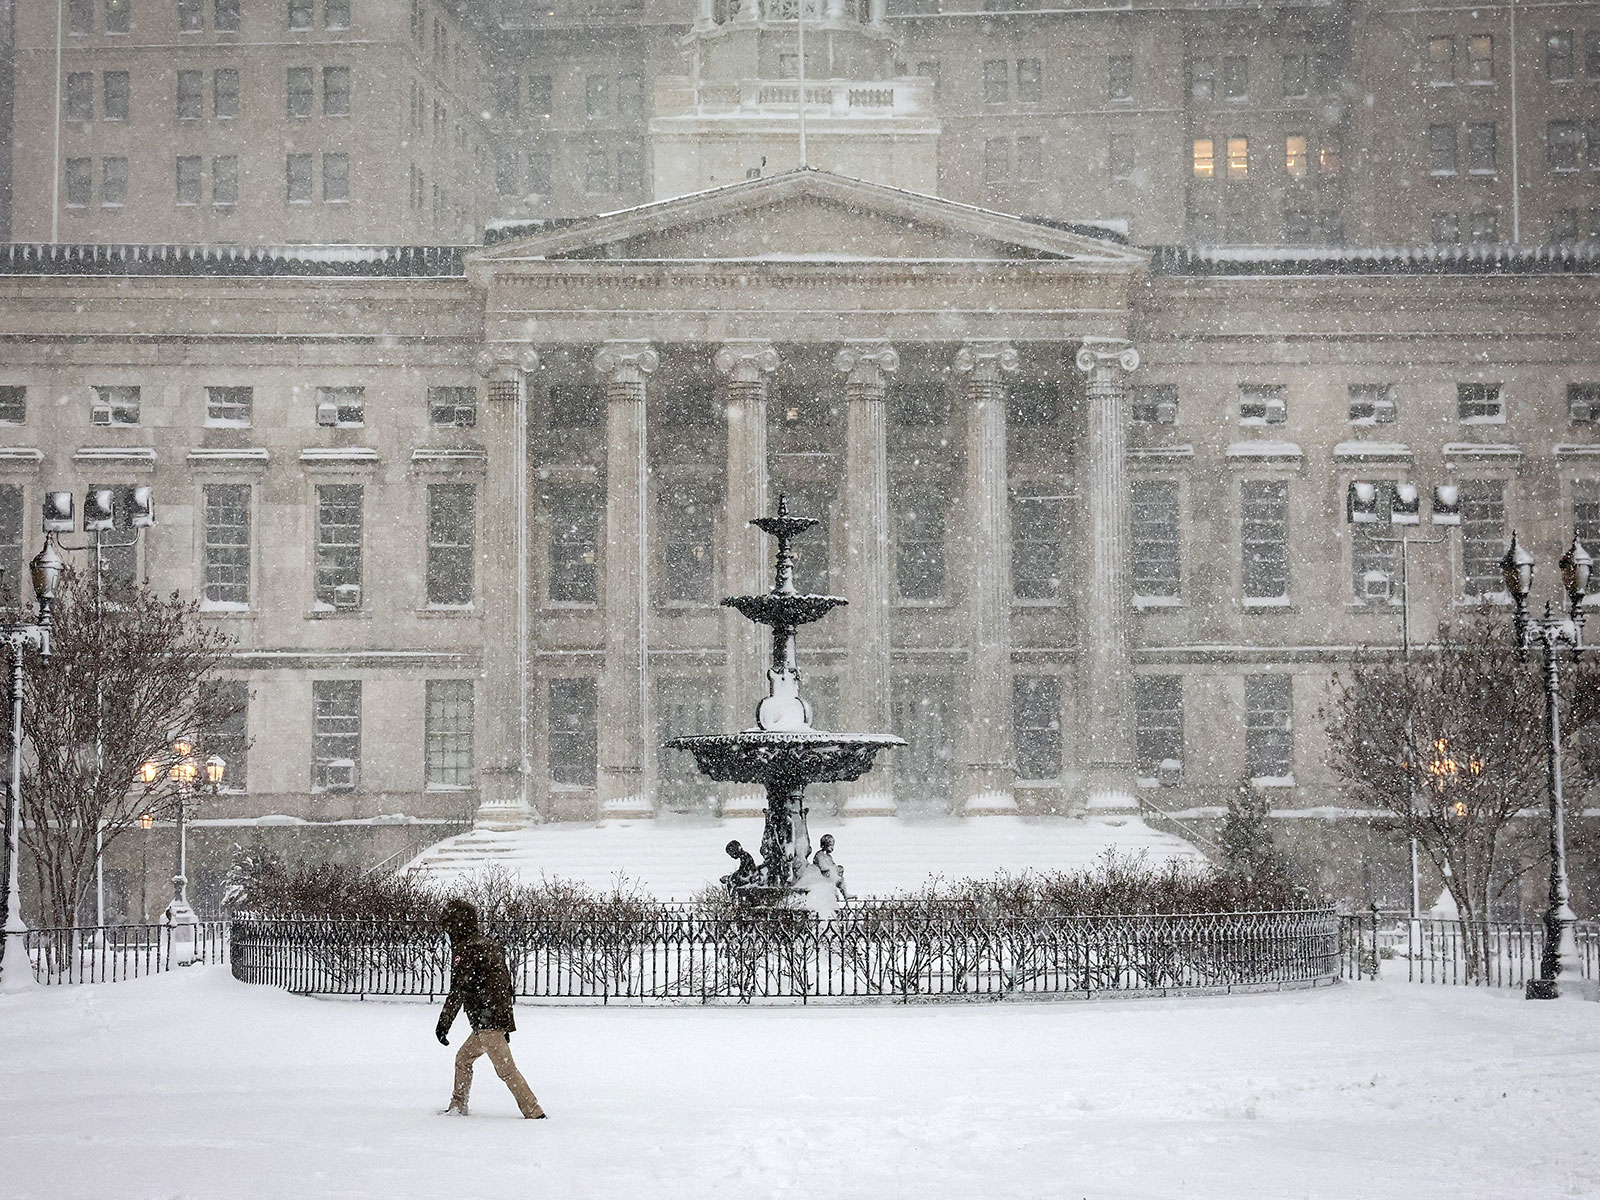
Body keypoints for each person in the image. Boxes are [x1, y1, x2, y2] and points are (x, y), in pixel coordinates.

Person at [435, 897, 546, 1119]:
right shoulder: (488, 944)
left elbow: (458, 991)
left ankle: (534, 1111)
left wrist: (443, 1024)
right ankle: (457, 1106)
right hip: (491, 1019)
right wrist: (504, 1021)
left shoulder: (465, 950)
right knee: (463, 1059)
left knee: (506, 1070)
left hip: (486, 1022)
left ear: (455, 926)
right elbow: (503, 984)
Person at [812, 834, 848, 901]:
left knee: (840, 879)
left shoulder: (828, 856)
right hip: (822, 877)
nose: (832, 848)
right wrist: (832, 868)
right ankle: (834, 894)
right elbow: (822, 867)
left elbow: (833, 864)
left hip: (830, 875)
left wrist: (838, 869)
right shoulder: (820, 855)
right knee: (832, 880)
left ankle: (845, 894)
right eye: (830, 846)